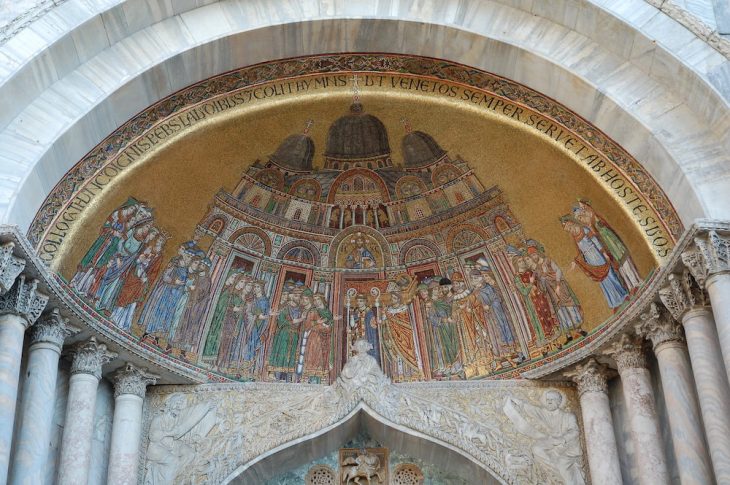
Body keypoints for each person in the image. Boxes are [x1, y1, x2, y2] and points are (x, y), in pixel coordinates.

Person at [503, 390, 585, 484]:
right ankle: (553, 471)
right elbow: (531, 409)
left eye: (552, 399)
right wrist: (515, 400)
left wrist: (562, 439)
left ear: (558, 402)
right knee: (536, 448)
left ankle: (559, 475)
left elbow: (575, 431)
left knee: (562, 464)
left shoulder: (568, 416)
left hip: (567, 447)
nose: (549, 402)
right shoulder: (544, 413)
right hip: (552, 442)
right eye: (548, 399)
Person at [562, 216, 628, 310]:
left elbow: (596, 241)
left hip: (596, 253)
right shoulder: (574, 237)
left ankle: (623, 294)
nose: (569, 230)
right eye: (567, 229)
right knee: (602, 280)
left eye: (569, 227)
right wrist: (576, 262)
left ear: (571, 223)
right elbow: (580, 252)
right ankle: (615, 302)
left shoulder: (584, 230)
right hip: (590, 259)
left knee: (610, 274)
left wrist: (604, 253)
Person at [380, 284, 422, 381]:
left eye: (395, 297)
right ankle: (397, 375)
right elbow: (384, 322)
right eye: (392, 297)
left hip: (404, 335)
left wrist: (390, 317)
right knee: (395, 354)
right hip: (393, 336)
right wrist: (384, 316)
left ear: (399, 299)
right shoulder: (388, 310)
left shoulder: (404, 308)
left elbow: (406, 322)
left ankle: (410, 374)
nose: (393, 299)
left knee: (407, 352)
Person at [469, 269, 515, 355]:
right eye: (472, 278)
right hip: (486, 317)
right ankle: (500, 352)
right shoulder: (474, 292)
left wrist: (489, 305)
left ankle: (509, 344)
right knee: (493, 332)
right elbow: (474, 304)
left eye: (475, 278)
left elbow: (496, 298)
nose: (473, 280)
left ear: (480, 278)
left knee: (502, 323)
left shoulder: (488, 287)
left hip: (495, 311)